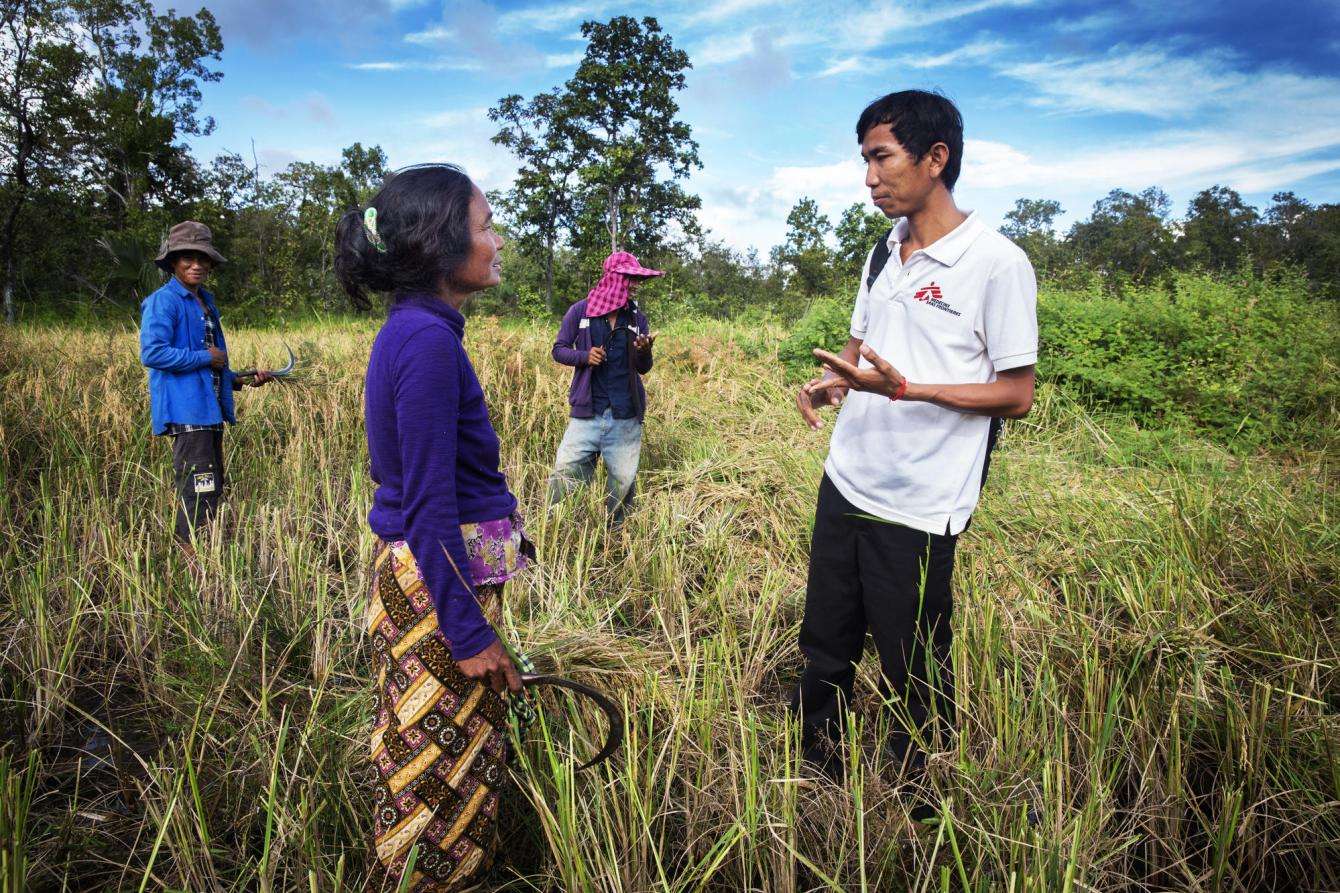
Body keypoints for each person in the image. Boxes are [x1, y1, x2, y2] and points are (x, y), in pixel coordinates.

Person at [791, 90, 1038, 787]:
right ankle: (817, 778)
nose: (869, 177)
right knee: (825, 646)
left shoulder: (996, 263)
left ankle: (924, 803)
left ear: (936, 158)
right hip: (847, 480)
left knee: (914, 666)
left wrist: (911, 390)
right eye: (864, 160)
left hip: (923, 504)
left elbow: (1015, 394)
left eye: (881, 157)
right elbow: (860, 350)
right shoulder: (883, 252)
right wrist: (834, 384)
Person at [337, 163, 534, 891]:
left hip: (440, 583)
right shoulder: (423, 341)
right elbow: (426, 502)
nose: (497, 240)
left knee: (447, 751)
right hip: (436, 589)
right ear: (442, 244)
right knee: (435, 765)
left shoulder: (424, 331)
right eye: (485, 226)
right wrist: (470, 631)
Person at [139, 221, 274, 561]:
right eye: (187, 258)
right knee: (198, 489)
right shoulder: (164, 302)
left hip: (208, 410)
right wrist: (205, 357)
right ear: (173, 262)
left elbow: (211, 371)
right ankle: (192, 564)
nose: (196, 265)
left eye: (203, 259)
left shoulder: (205, 302)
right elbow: (152, 353)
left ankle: (206, 556)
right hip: (188, 413)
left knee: (210, 486)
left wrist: (239, 379)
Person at [547, 251, 660, 523]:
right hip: (587, 411)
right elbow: (559, 350)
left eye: (637, 279)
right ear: (613, 279)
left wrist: (644, 351)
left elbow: (643, 368)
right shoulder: (580, 311)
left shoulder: (636, 319)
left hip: (625, 414)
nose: (635, 284)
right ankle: (561, 529)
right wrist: (584, 357)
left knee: (622, 482)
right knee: (565, 474)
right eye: (629, 278)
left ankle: (616, 538)